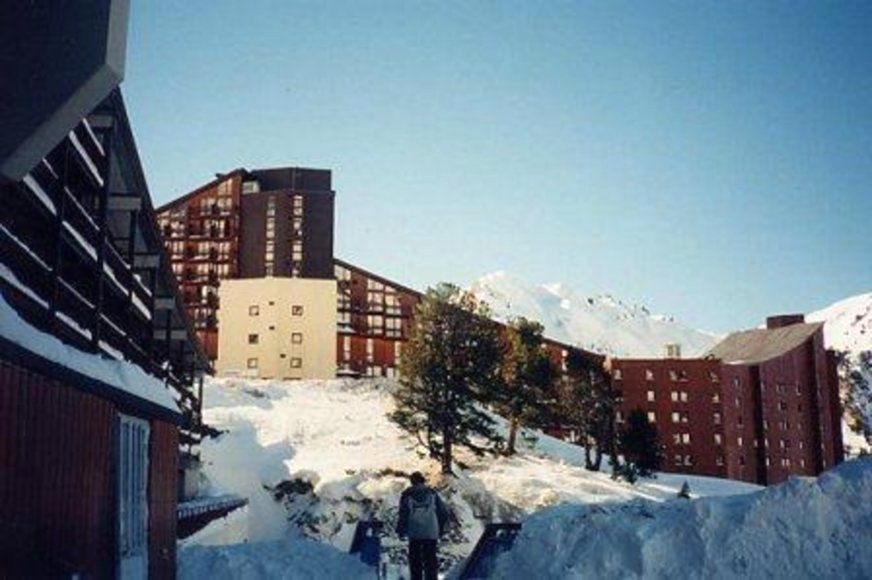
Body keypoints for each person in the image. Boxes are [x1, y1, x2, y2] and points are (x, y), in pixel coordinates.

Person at [396, 471, 449, 580]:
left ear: (412, 482)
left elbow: (403, 514)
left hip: (414, 532)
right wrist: (442, 529)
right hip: (431, 531)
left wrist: (401, 530)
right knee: (430, 560)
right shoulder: (432, 493)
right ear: (423, 481)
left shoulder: (406, 495)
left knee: (415, 561)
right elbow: (442, 512)